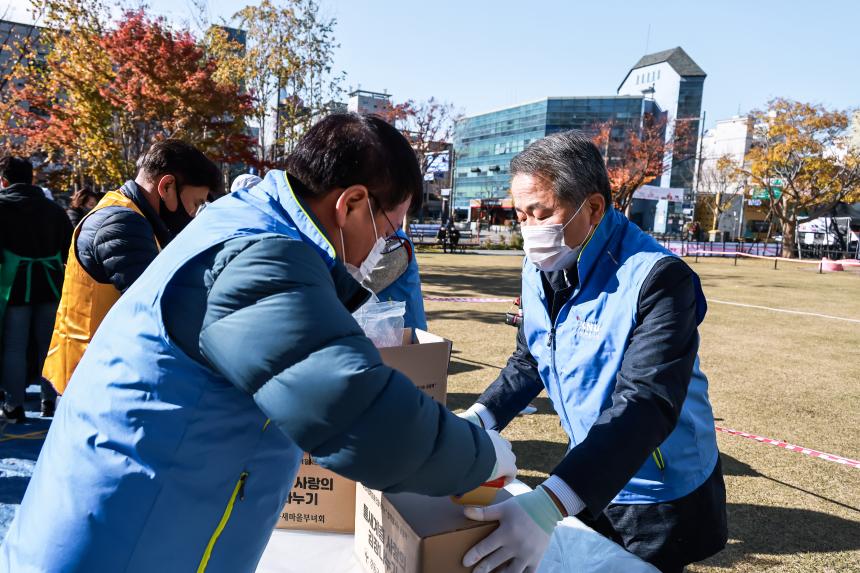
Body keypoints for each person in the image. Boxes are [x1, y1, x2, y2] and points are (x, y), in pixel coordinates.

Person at [0, 113, 516, 573]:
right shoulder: (260, 260)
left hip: (137, 523)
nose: (388, 249)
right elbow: (356, 411)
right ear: (352, 203)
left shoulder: (252, 227)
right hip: (126, 541)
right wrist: (481, 456)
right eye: (391, 230)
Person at [459, 131, 727, 573]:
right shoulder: (541, 263)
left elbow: (646, 402)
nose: (529, 231)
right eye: (520, 216)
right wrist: (476, 420)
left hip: (654, 489)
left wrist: (548, 505)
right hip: (586, 470)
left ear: (594, 207)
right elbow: (530, 360)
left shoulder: (658, 279)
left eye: (540, 214)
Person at [42, 139, 221, 395]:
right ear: (167, 185)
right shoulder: (123, 222)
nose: (193, 214)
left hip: (95, 372)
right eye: (195, 203)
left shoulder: (131, 214)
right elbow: (160, 307)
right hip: (92, 380)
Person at [0, 156, 73, 421]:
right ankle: (49, 402)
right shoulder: (53, 209)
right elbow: (69, 249)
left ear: (4, 180)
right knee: (48, 345)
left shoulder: (2, 206)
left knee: (14, 347)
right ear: (33, 178)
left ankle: (14, 405)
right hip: (51, 284)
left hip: (14, 287)